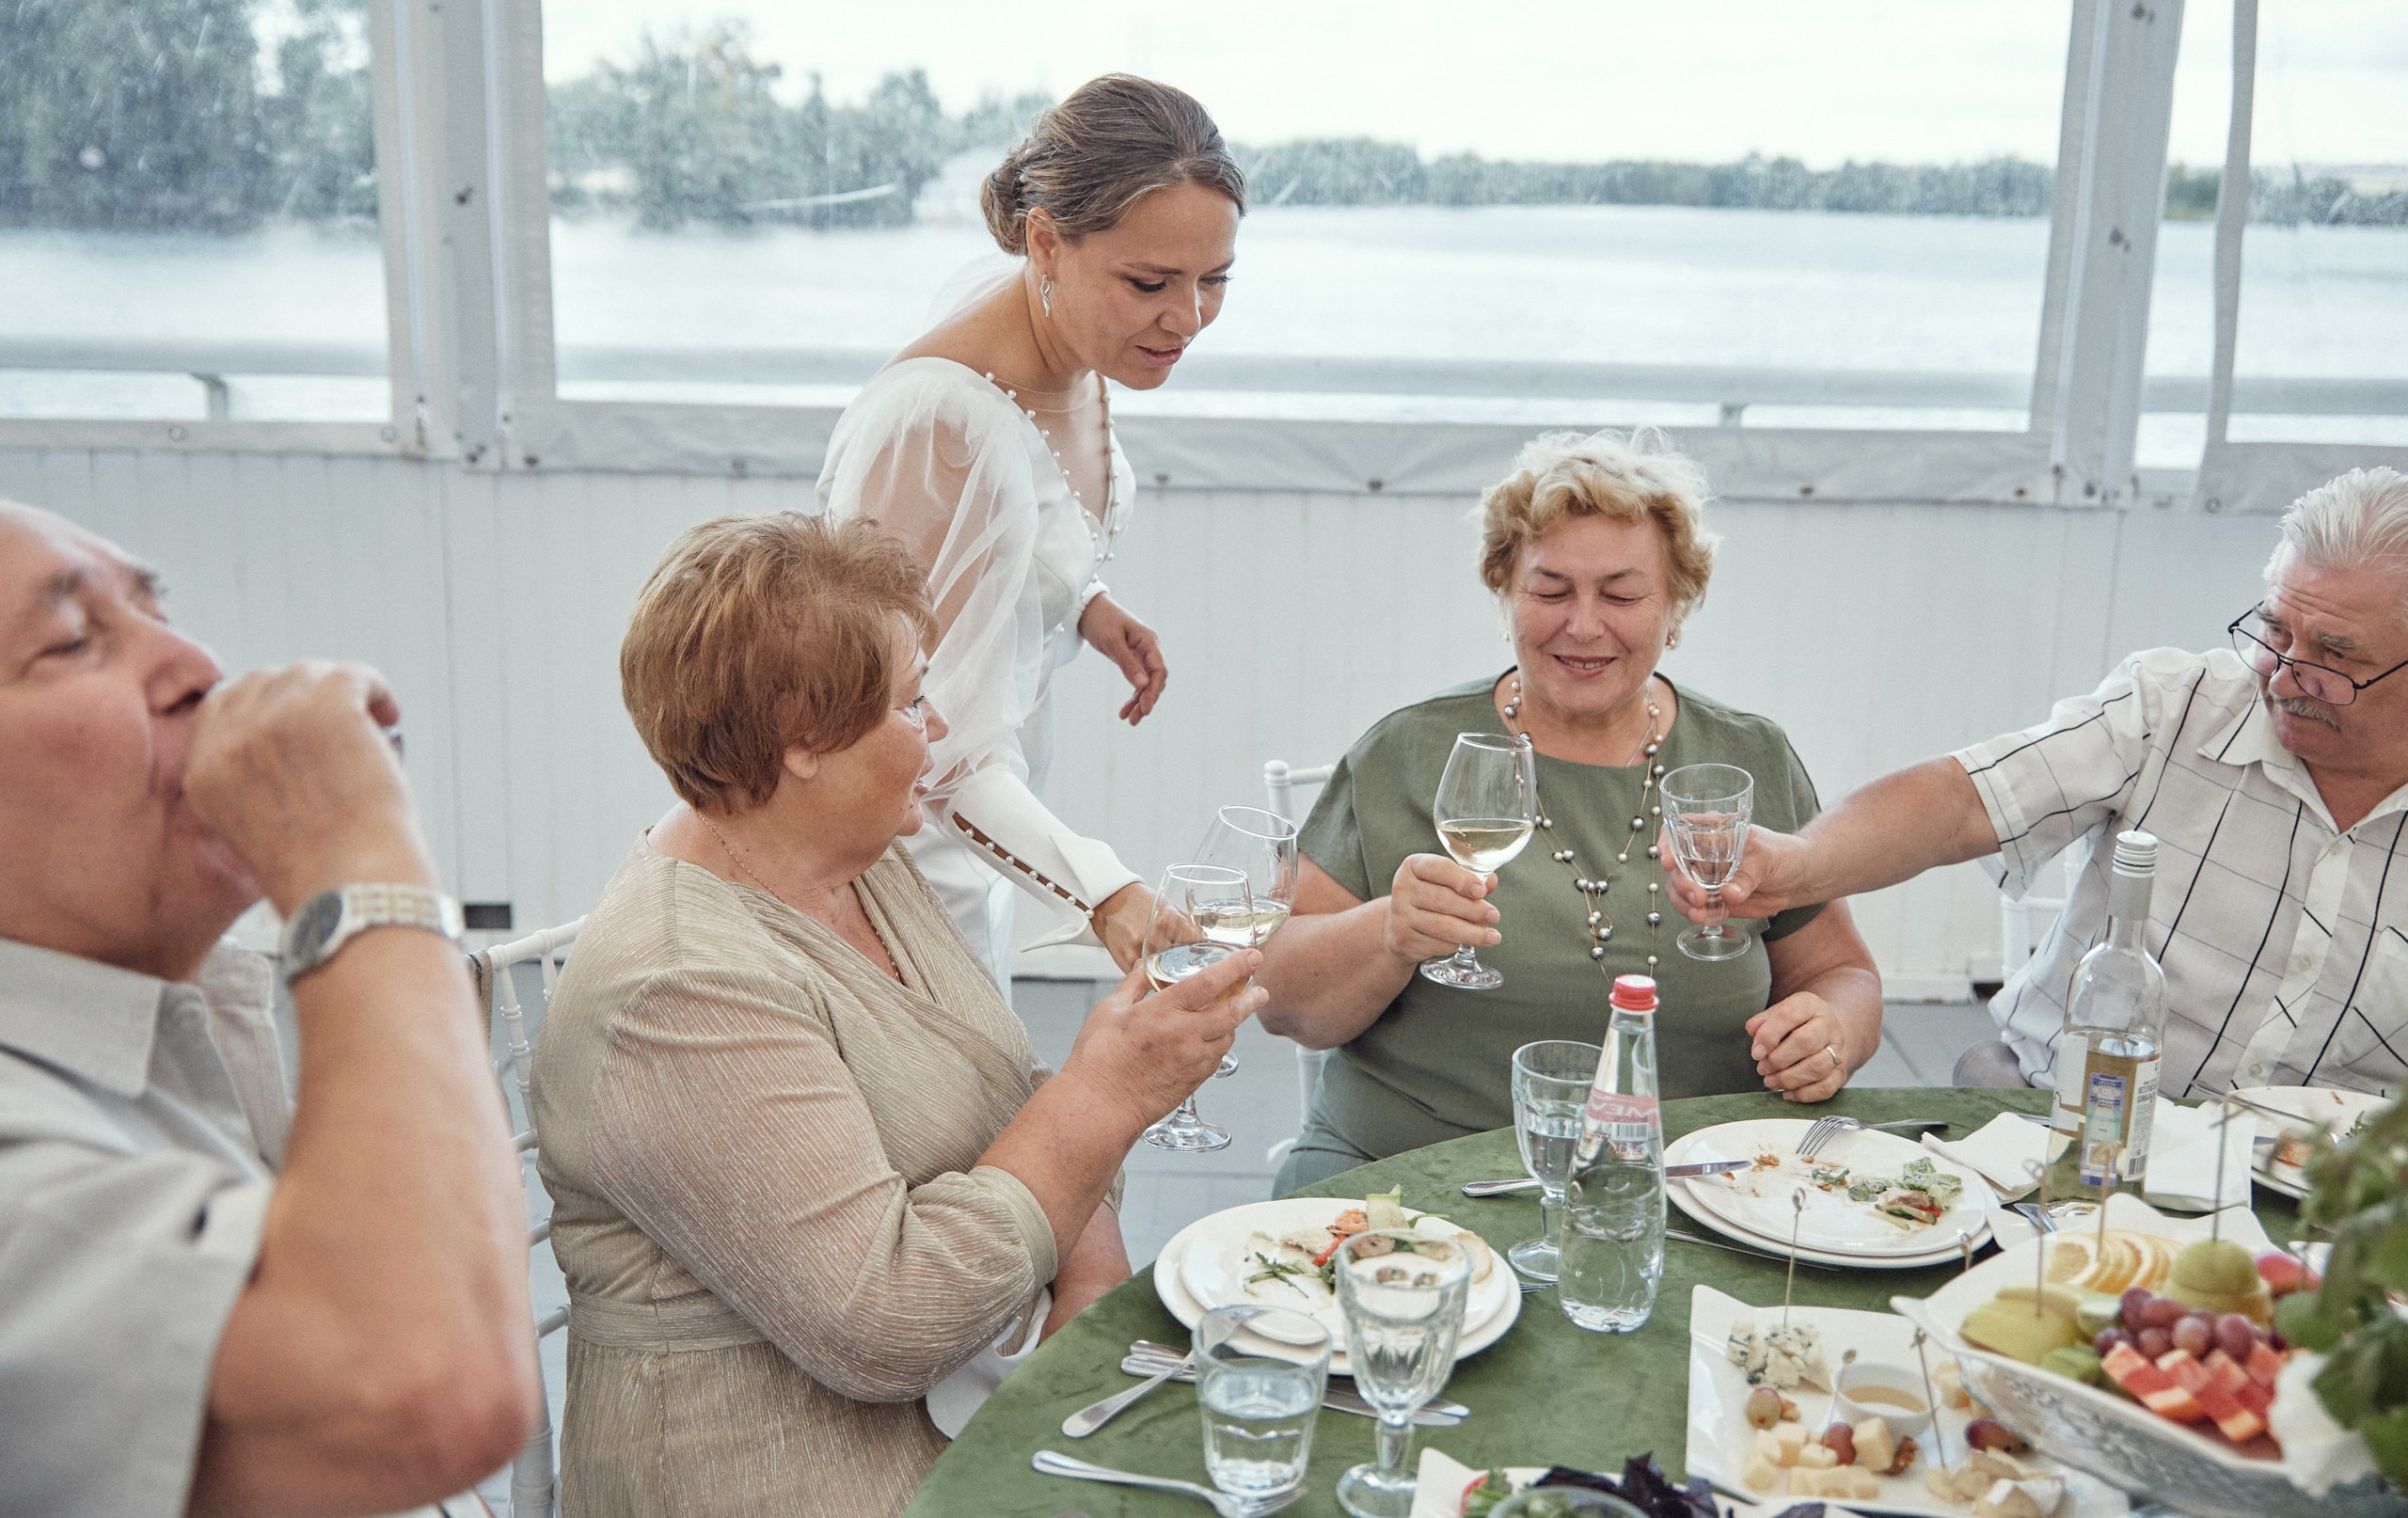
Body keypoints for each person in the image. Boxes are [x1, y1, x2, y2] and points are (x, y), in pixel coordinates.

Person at [532, 513, 1262, 1517]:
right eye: (912, 702)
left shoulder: (863, 863)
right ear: (802, 742)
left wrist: (1089, 1292)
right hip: (774, 1474)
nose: (939, 731)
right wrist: (1107, 1095)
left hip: (969, 1410)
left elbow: (1011, 1110)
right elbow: (883, 1324)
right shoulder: (676, 986)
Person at [0, 500, 538, 1515]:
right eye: (74, 642)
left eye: (160, 610)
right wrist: (362, 867)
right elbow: (417, 1384)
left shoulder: (178, 1037)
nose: (196, 664)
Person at [1255, 431, 1883, 1194]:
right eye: (1551, 590)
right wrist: (1387, 933)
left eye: (1620, 594)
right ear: (1505, 590)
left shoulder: (1747, 757)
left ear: (1675, 603)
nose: (1583, 625)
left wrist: (1833, 1032)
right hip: (1410, 1170)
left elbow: (1841, 971)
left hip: (1697, 1182)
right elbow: (1281, 999)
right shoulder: (1408, 753)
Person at [1668, 466, 2408, 1099]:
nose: (2280, 674)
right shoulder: (2172, 708)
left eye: (2333, 654)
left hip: (2333, 1205)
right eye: (2275, 630)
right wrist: (1797, 865)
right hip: (2059, 1124)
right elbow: (1962, 801)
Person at [817, 72, 1245, 996]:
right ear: (1046, 242)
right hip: (902, 875)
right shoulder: (936, 422)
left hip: (986, 844)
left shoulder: (1059, 330)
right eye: (1149, 283)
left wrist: (1078, 599)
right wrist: (1105, 892)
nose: (1187, 319)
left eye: (1214, 281)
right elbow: (933, 750)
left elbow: (999, 521)